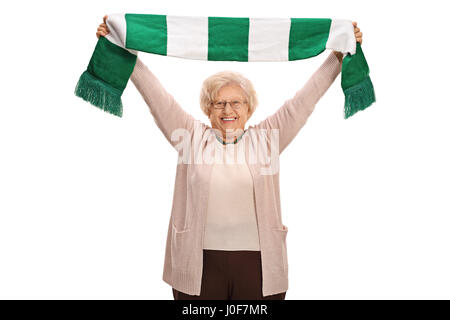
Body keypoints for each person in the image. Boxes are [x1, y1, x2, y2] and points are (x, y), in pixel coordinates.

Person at [96, 15, 363, 300]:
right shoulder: (190, 137)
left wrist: (337, 57)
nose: (228, 110)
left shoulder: (267, 138)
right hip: (198, 266)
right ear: (208, 110)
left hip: (258, 266)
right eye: (218, 103)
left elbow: (305, 100)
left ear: (249, 109)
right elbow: (155, 94)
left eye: (237, 102)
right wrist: (124, 47)